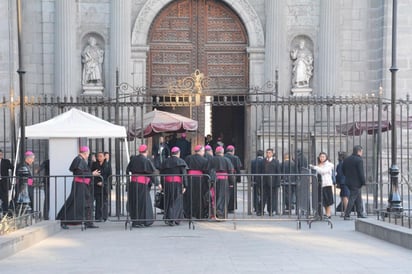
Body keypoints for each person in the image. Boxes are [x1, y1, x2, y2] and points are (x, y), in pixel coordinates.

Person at [56, 146, 100, 229]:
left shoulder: (81, 159)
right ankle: (62, 220)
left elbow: (85, 170)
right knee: (74, 203)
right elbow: (79, 173)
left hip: (83, 185)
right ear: (85, 153)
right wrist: (92, 174)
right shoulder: (78, 159)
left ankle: (88, 222)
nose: (88, 155)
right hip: (80, 185)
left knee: (88, 203)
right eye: (88, 154)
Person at [126, 144, 157, 227]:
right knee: (143, 203)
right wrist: (157, 183)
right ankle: (143, 221)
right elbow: (151, 173)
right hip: (142, 185)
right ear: (146, 151)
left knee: (135, 201)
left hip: (133, 183)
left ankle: (135, 221)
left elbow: (127, 170)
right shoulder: (146, 160)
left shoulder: (133, 159)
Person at [160, 146, 188, 226]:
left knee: (168, 200)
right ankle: (175, 218)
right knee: (176, 201)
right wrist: (185, 186)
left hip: (167, 183)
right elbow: (184, 175)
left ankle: (169, 218)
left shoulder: (165, 162)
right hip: (177, 184)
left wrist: (162, 185)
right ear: (178, 153)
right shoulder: (181, 161)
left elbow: (162, 174)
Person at [207, 146, 235, 219]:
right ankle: (221, 213)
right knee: (223, 197)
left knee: (214, 196)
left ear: (216, 152)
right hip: (224, 180)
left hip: (214, 180)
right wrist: (232, 183)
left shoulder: (212, 159)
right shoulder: (227, 160)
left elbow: (208, 170)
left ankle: (214, 213)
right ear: (222, 152)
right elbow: (230, 172)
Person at [342, 145, 367, 220]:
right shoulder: (359, 160)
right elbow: (361, 172)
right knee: (352, 198)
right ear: (359, 151)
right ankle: (347, 214)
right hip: (356, 183)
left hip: (348, 181)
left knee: (358, 197)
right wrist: (363, 182)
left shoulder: (347, 159)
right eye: (362, 151)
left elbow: (343, 170)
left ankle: (360, 213)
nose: (362, 153)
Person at [184, 145, 209, 219]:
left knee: (189, 196)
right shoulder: (204, 160)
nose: (204, 152)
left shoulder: (188, 158)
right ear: (200, 151)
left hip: (189, 178)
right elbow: (206, 171)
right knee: (199, 197)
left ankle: (188, 214)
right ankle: (199, 214)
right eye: (203, 151)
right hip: (199, 179)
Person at [309, 152, 334, 219]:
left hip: (326, 184)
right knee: (321, 200)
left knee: (327, 200)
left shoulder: (329, 165)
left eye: (323, 156)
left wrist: (315, 167)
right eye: (321, 157)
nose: (322, 158)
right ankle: (322, 213)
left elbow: (323, 171)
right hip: (320, 184)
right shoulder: (319, 165)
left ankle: (328, 214)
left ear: (326, 157)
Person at [258, 148, 280, 216]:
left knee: (271, 198)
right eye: (267, 152)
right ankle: (261, 210)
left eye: (270, 152)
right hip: (264, 182)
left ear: (272, 153)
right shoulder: (262, 161)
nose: (268, 154)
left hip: (272, 183)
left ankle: (270, 211)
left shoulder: (276, 162)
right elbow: (260, 171)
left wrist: (277, 183)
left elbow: (278, 172)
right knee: (263, 197)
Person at [91, 152, 112, 222]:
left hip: (104, 185)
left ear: (104, 157)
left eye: (101, 156)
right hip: (96, 185)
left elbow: (109, 176)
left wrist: (104, 182)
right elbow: (91, 174)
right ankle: (98, 217)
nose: (99, 158)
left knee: (105, 201)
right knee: (98, 201)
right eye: (98, 156)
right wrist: (97, 182)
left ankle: (105, 216)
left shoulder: (108, 165)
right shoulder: (94, 164)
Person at [224, 145, 242, 213]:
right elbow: (238, 169)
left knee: (225, 192)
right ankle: (231, 208)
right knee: (232, 193)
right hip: (233, 176)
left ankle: (225, 206)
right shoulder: (235, 158)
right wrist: (238, 179)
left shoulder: (224, 157)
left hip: (225, 176)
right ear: (233, 151)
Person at [336, 151, 350, 216]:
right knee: (344, 196)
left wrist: (337, 181)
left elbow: (339, 174)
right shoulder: (347, 163)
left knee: (344, 196)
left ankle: (346, 212)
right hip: (346, 181)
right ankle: (344, 211)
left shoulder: (341, 164)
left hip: (343, 182)